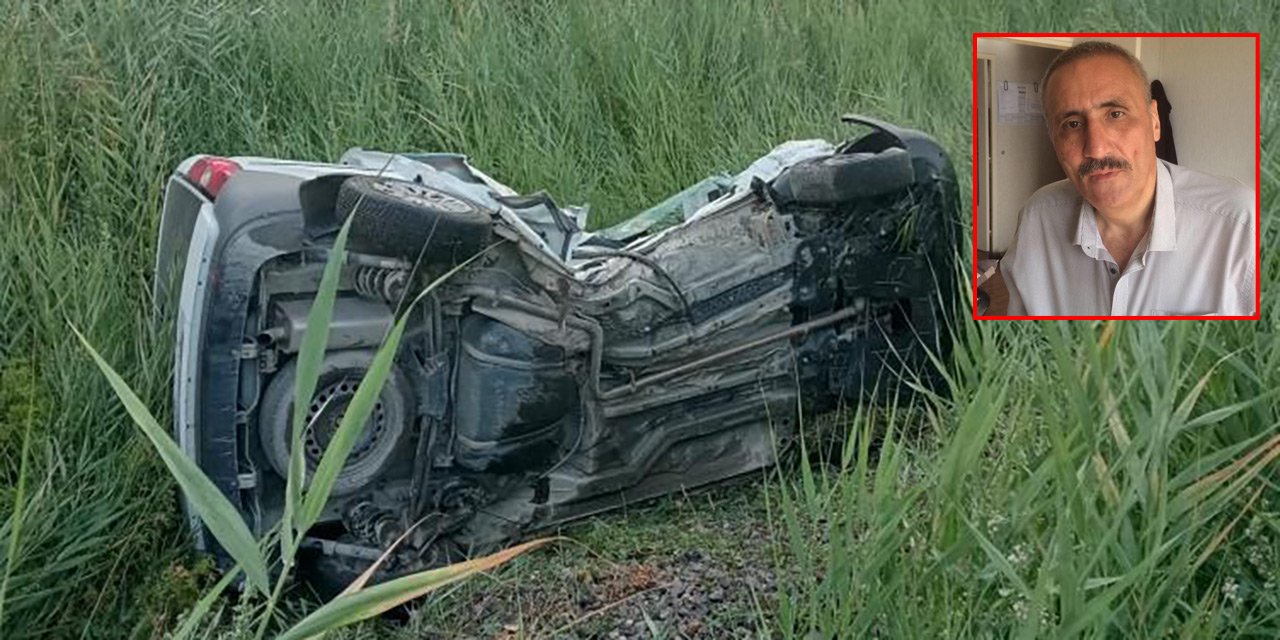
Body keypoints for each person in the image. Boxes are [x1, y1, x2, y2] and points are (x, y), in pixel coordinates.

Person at [1001, 41, 1255, 316]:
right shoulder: (1037, 219)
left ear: (1155, 121)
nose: (1096, 148)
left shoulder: (1241, 225)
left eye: (1115, 114)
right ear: (1053, 139)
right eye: (1072, 124)